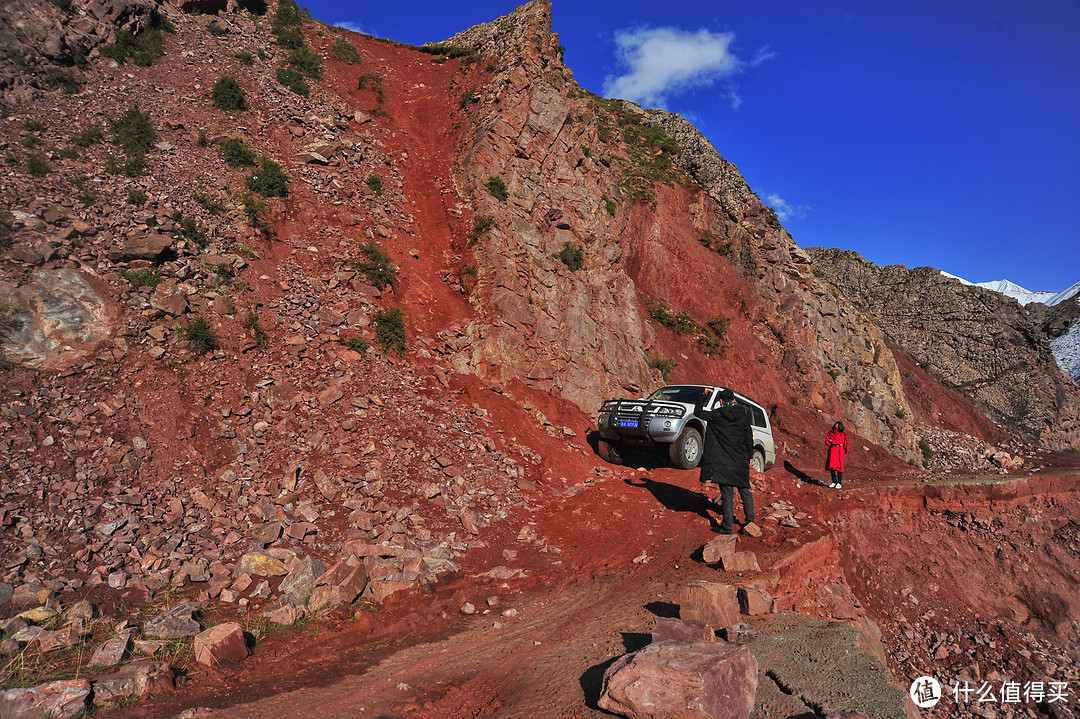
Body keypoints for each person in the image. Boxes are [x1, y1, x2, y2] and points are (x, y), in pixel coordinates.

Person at [694, 387, 755, 535]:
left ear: (721, 401)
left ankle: (727, 527)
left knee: (727, 495)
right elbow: (748, 437)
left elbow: (698, 412)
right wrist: (749, 455)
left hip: (723, 461)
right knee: (744, 490)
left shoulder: (717, 415)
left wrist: (704, 395)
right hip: (740, 459)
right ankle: (750, 522)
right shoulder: (744, 416)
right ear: (733, 400)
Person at [826, 421, 849, 489]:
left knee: (839, 467)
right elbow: (826, 441)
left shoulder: (842, 433)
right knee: (832, 467)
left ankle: (839, 482)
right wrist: (833, 444)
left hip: (839, 452)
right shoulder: (830, 432)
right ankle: (834, 481)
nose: (836, 426)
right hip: (832, 451)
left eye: (837, 425)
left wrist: (832, 441)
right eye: (835, 425)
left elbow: (841, 441)